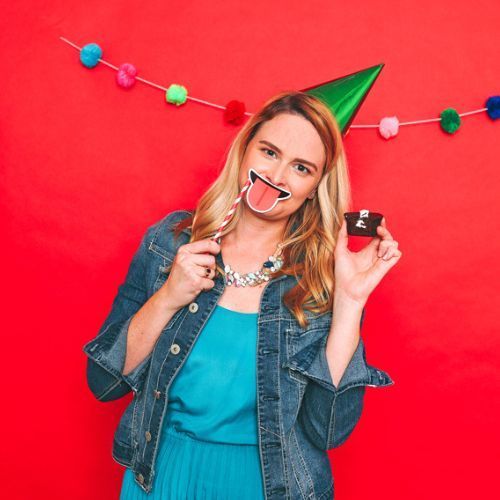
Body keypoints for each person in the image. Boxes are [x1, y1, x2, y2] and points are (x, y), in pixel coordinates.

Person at [83, 91, 402, 499]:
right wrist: (168, 295)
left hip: (266, 486)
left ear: (315, 187)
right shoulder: (169, 243)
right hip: (162, 477)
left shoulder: (323, 279)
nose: (277, 175)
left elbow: (328, 430)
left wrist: (350, 303)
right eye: (269, 152)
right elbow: (103, 384)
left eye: (301, 167)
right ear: (245, 148)